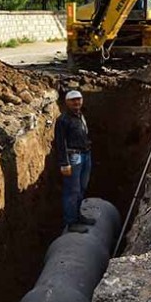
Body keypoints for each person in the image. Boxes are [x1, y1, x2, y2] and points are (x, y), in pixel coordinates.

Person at [54, 90, 95, 233]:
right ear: (67, 102)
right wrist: (64, 163)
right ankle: (71, 222)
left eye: (79, 99)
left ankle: (78, 216)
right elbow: (60, 143)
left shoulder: (80, 116)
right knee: (72, 190)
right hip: (74, 157)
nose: (76, 102)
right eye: (73, 100)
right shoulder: (63, 120)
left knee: (81, 188)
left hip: (85, 155)